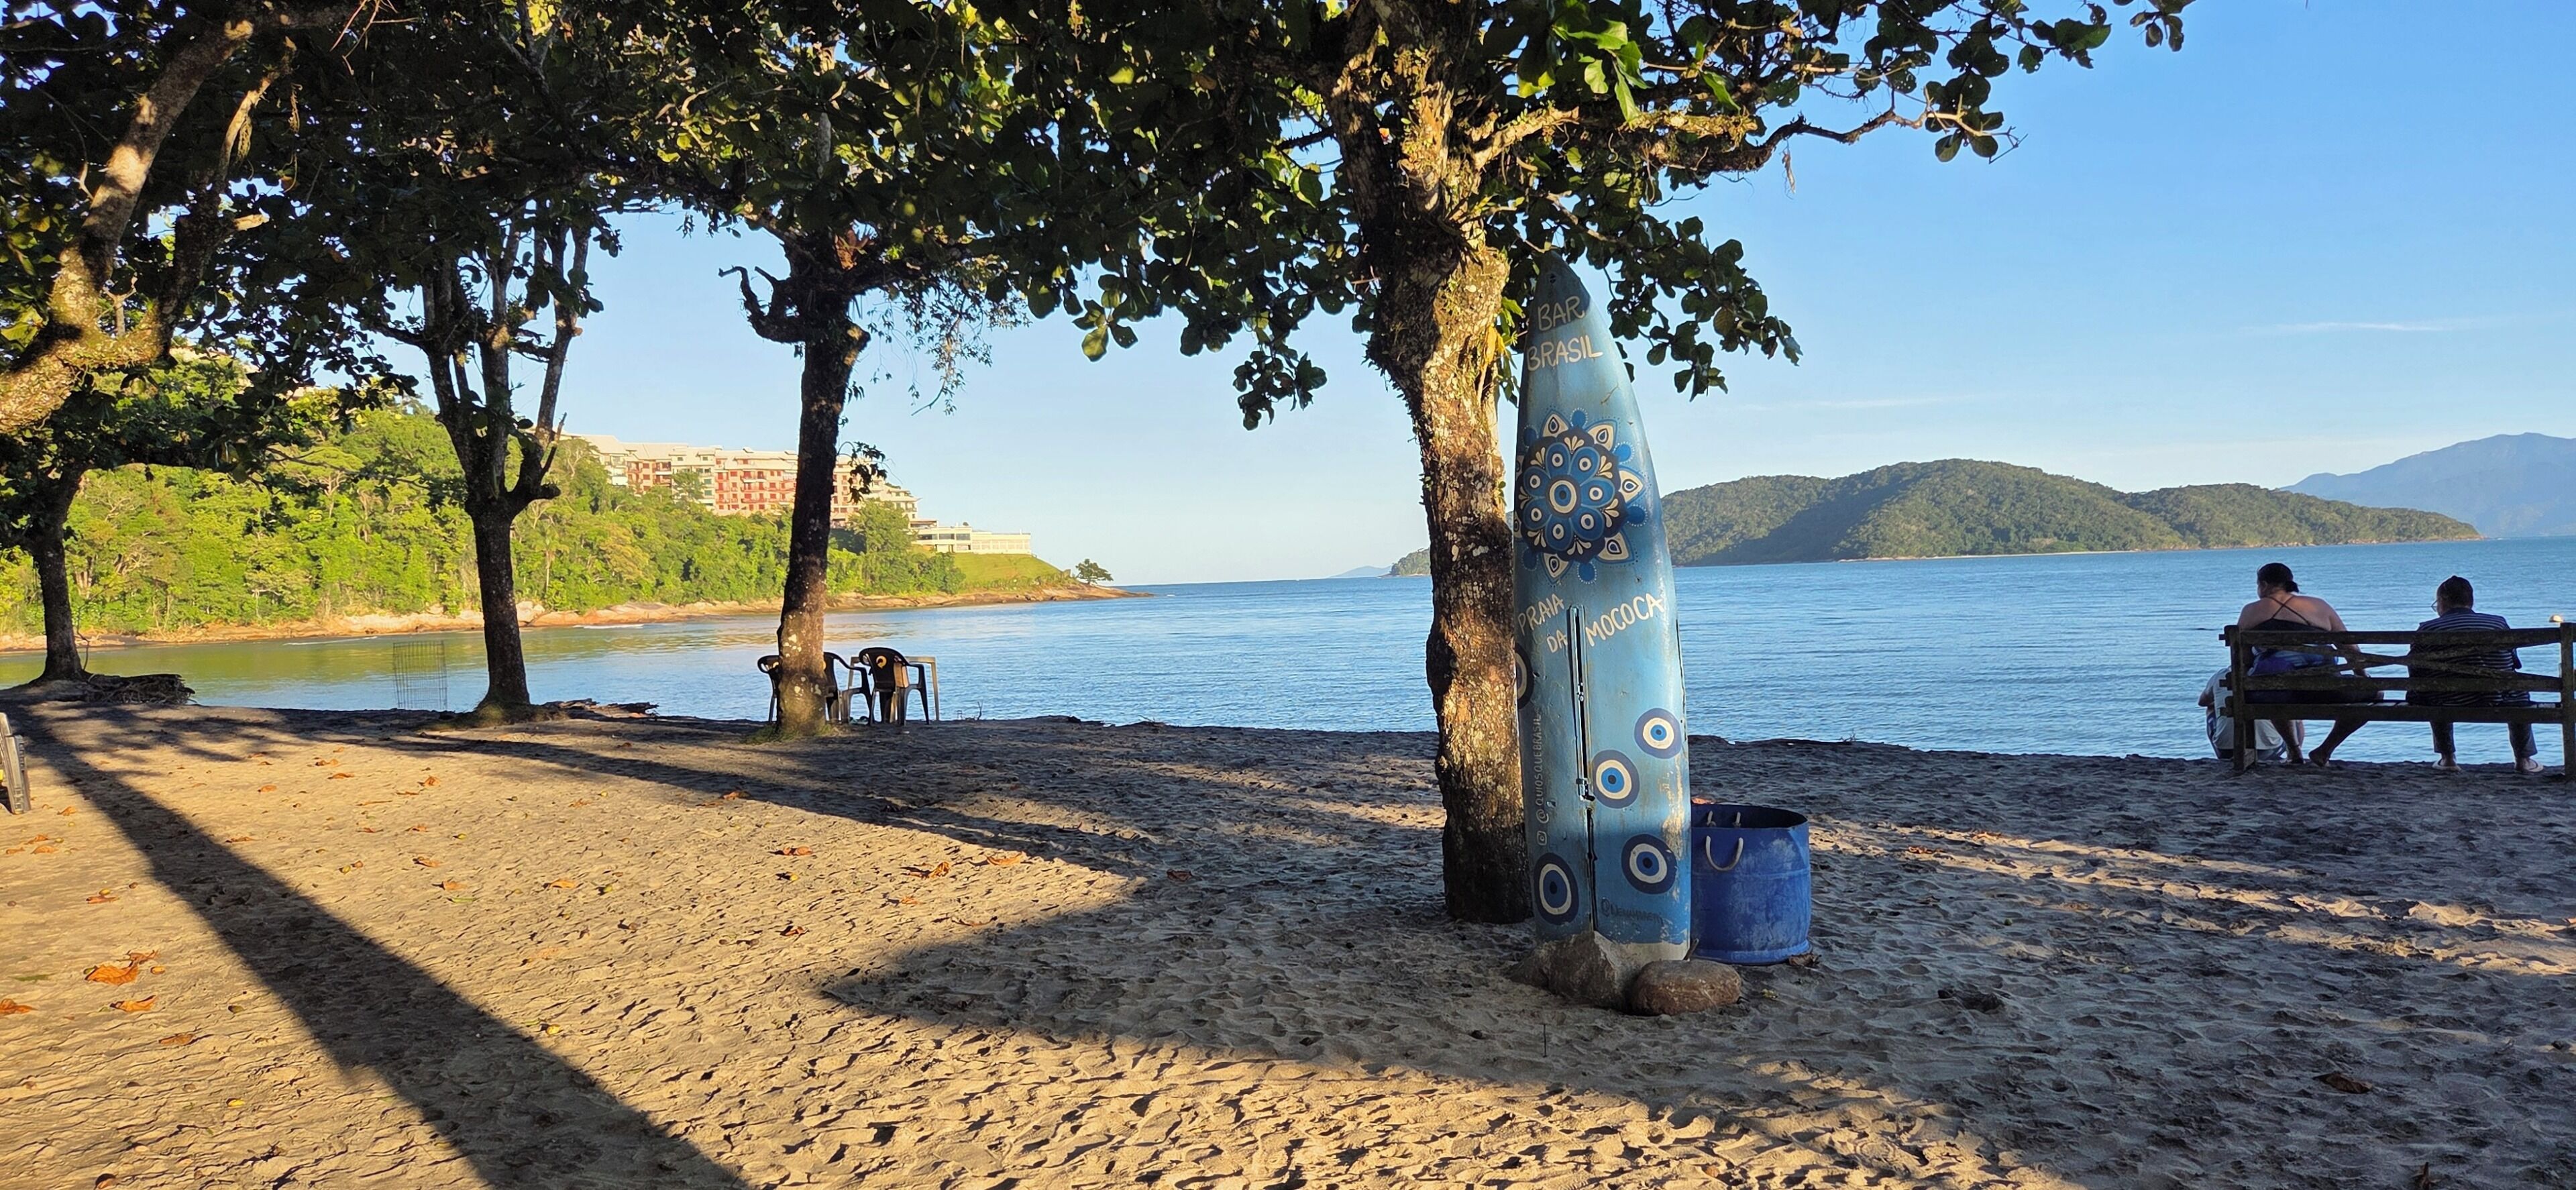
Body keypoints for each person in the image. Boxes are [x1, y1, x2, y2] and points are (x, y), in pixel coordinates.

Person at [2235, 561, 2373, 765]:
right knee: (2376, 694)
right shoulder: (2320, 606)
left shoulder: (2250, 611)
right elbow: (2350, 649)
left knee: (2271, 682)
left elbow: (2243, 659)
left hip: (2274, 693)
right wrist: (2362, 677)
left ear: (2263, 585)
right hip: (2326, 690)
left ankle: (2294, 751)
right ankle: (2324, 750)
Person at [2407, 575, 2544, 773]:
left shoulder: (2428, 628)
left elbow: (2415, 669)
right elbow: (2513, 663)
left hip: (2446, 699)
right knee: (2516, 689)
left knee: (2433, 689)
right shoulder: (2498, 623)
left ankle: (2448, 759)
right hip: (2497, 698)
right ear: (2470, 601)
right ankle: (2523, 760)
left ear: (2443, 600)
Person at [2200, 669, 2290, 763]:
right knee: (2292, 711)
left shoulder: (2220, 675)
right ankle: (2295, 752)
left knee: (2211, 709)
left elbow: (2203, 702)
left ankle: (2225, 749)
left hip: (2226, 749)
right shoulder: (2272, 674)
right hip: (2269, 748)